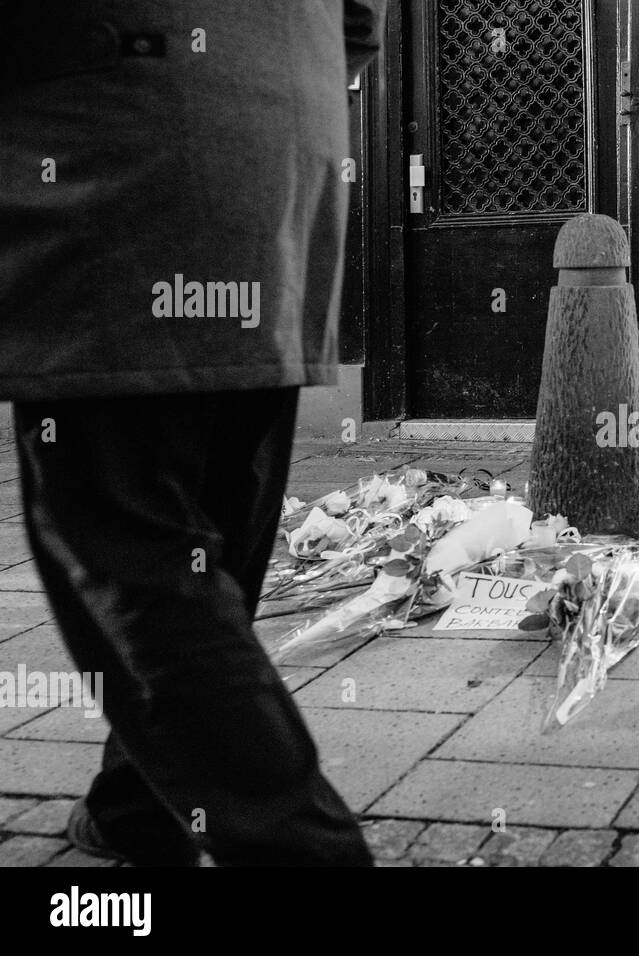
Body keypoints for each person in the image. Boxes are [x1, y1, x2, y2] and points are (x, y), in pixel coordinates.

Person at [0, 1, 387, 865]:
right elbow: (360, 21)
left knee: (119, 540)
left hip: (120, 152)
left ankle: (309, 854)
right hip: (283, 151)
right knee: (210, 530)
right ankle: (141, 806)